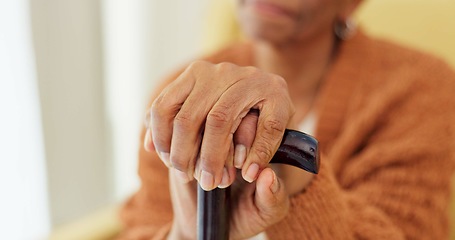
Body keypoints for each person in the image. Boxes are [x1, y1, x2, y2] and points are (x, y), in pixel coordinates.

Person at [118, 0, 455, 239]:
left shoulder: (424, 87)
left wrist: (287, 167)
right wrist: (188, 234)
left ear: (352, 3)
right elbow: (143, 228)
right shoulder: (183, 94)